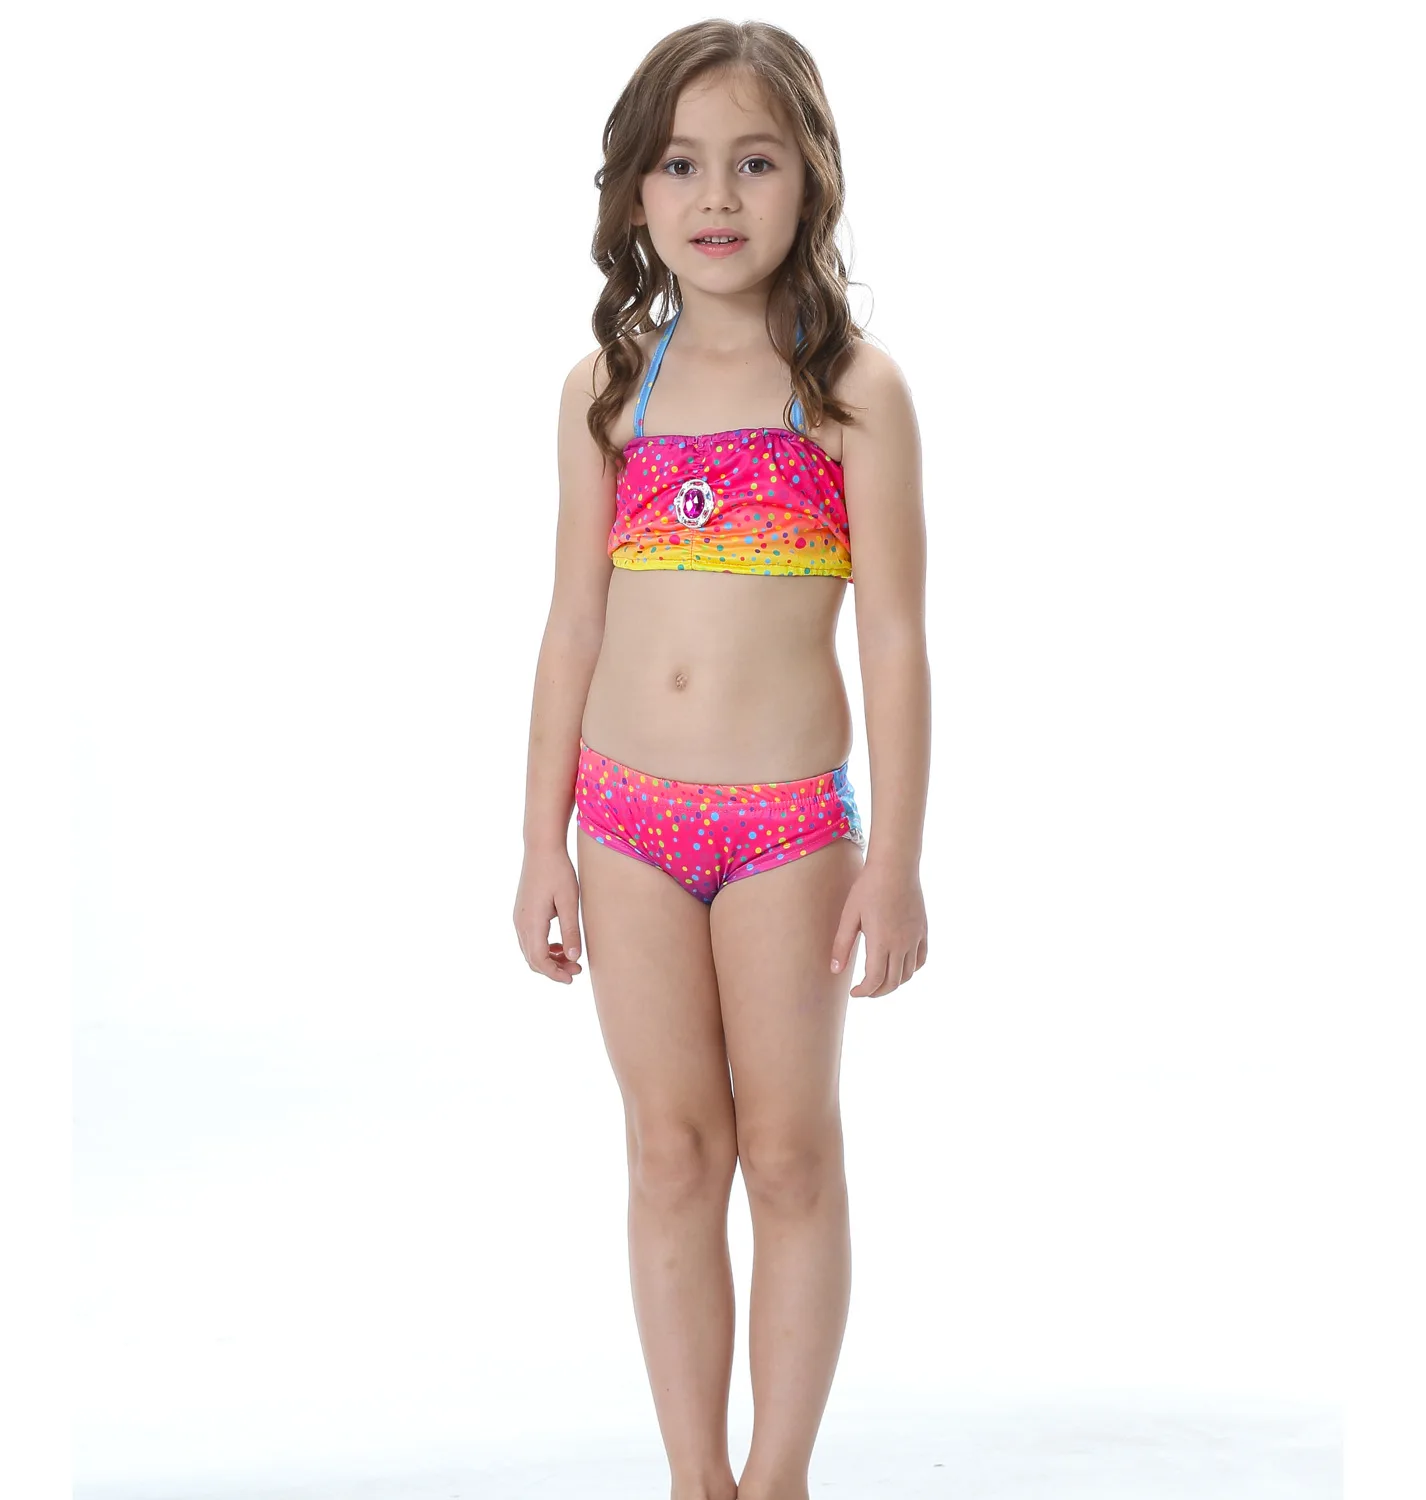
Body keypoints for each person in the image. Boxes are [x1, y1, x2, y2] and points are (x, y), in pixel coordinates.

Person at [513, 20, 930, 1500]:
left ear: (809, 180)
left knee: (791, 1153)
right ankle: (696, 1480)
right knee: (673, 1152)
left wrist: (895, 862)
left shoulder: (853, 393)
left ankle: (779, 1477)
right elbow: (572, 624)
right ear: (636, 192)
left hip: (788, 832)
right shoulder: (606, 389)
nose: (715, 196)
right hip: (625, 823)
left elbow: (896, 638)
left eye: (753, 163)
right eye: (681, 164)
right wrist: (540, 841)